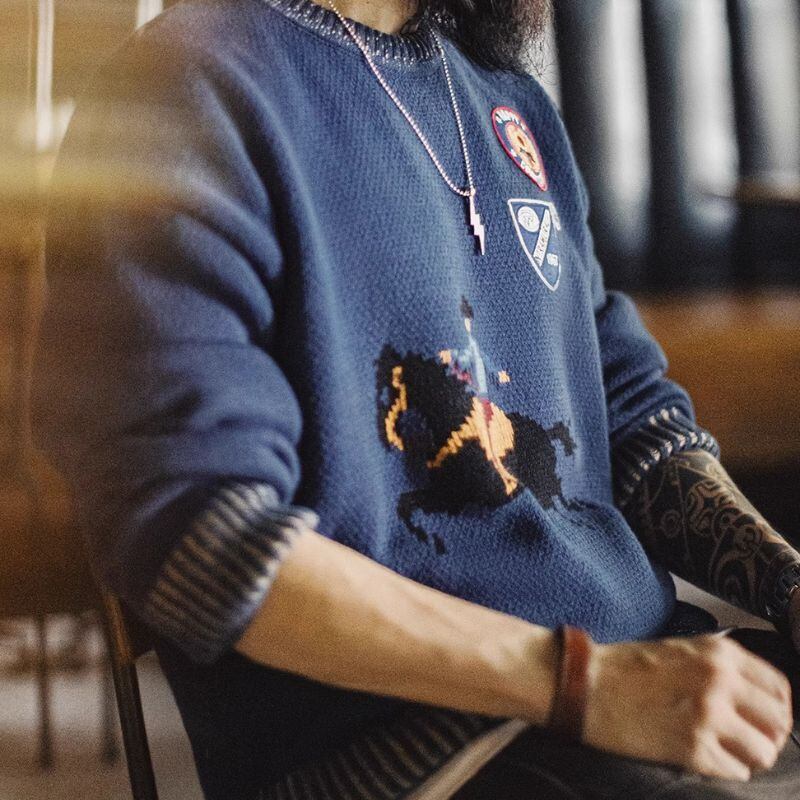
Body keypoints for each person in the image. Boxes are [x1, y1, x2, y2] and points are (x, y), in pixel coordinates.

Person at [32, 0, 800, 797]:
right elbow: (207, 539)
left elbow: (632, 417)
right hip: (414, 750)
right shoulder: (186, 86)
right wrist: (581, 683)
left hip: (633, 682)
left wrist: (787, 585)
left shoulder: (508, 98)